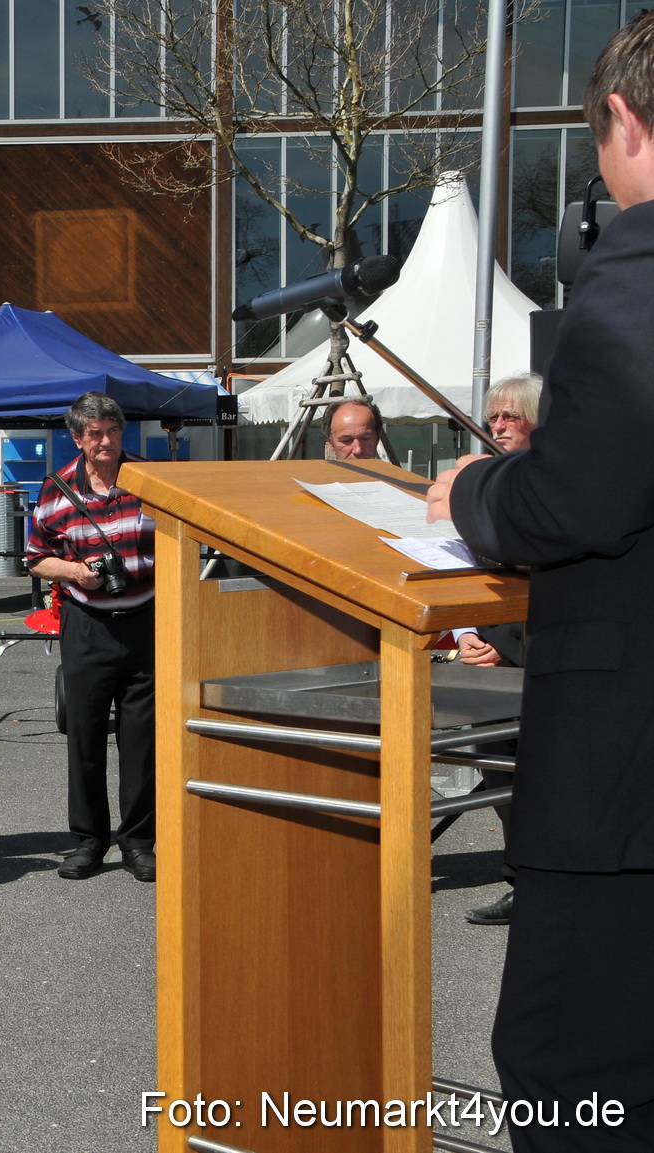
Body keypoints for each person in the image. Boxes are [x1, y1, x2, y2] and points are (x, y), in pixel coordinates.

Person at [427, 20, 654, 1148]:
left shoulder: (645, 261)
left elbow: (579, 501)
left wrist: (475, 492)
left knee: (575, 1074)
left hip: (626, 786)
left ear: (620, 116)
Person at [25, 392, 157, 883]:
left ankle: (140, 842)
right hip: (87, 623)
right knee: (83, 736)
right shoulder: (55, 489)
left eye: (113, 431)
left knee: (142, 741)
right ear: (78, 439)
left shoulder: (151, 480)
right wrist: (77, 572)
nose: (106, 442)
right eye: (95, 434)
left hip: (146, 617)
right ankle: (88, 840)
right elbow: (36, 557)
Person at [455, 372, 543, 927]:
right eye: (493, 417)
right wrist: (465, 633)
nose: (498, 425)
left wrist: (502, 646)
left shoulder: (553, 486)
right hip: (495, 655)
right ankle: (521, 879)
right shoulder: (489, 480)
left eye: (512, 416)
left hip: (541, 660)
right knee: (499, 771)